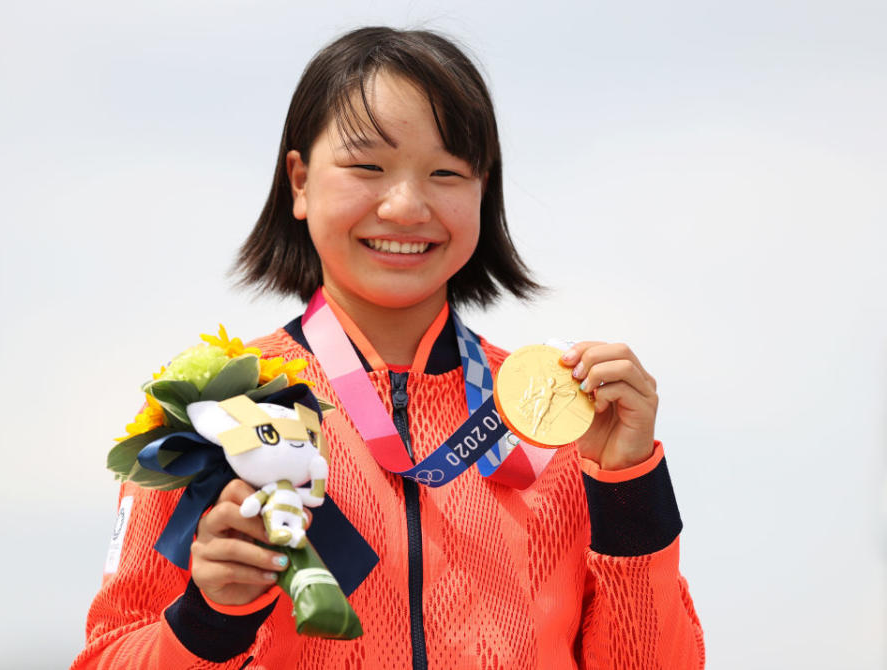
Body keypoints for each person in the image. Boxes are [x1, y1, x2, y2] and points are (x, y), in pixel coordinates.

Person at [72, 26, 705, 669]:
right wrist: (209, 621)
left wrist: (629, 489)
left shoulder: (562, 413)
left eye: (446, 172)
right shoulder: (217, 409)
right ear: (299, 181)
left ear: (482, 189)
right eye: (367, 166)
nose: (406, 206)